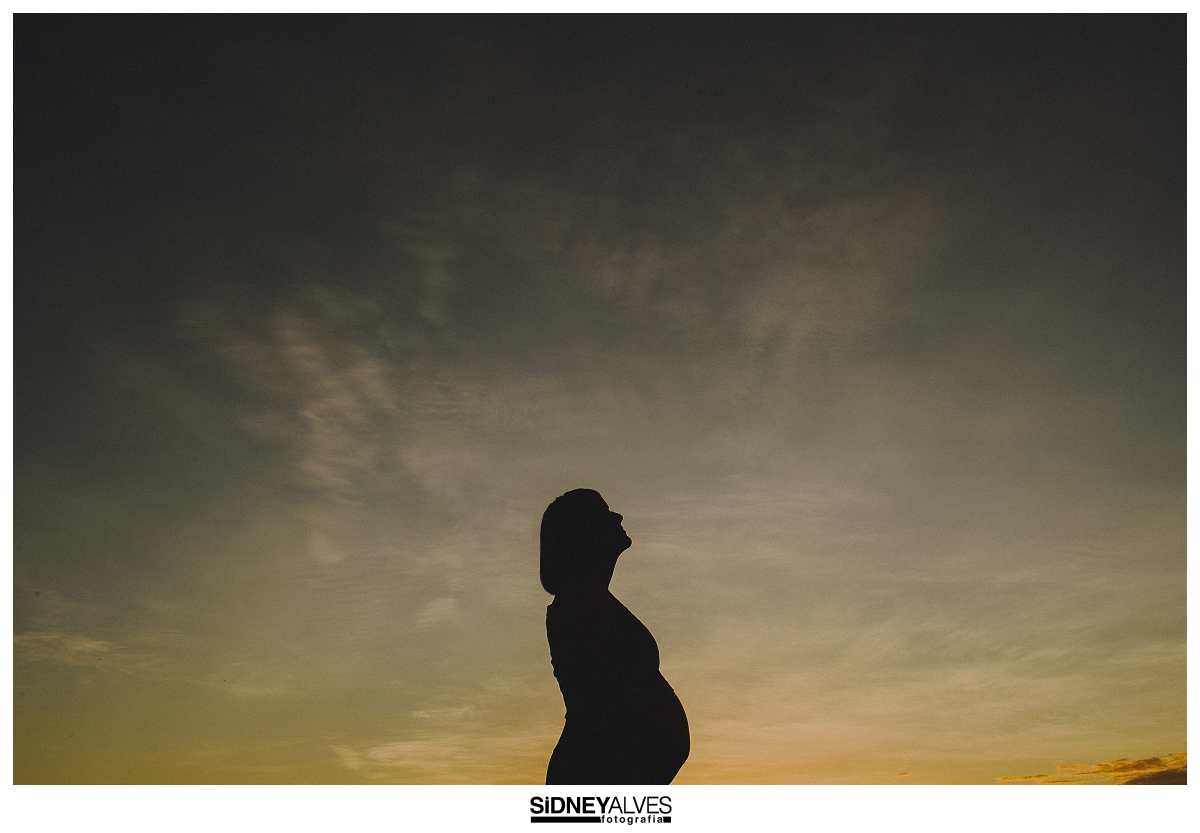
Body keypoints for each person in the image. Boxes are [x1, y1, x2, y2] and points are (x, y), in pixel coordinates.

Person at [540, 488, 690, 784]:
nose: (618, 517)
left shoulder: (591, 600)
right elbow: (601, 704)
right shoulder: (578, 604)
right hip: (594, 773)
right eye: (604, 513)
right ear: (583, 533)